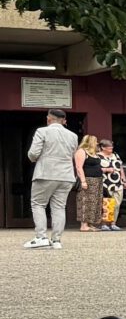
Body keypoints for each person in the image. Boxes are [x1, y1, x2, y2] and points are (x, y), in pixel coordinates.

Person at [23, 106, 77, 248]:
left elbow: (33, 153)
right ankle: (56, 240)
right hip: (66, 175)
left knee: (38, 204)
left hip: (46, 173)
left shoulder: (42, 131)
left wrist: (34, 159)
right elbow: (72, 154)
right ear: (64, 121)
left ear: (48, 119)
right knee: (59, 207)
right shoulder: (73, 136)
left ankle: (41, 237)